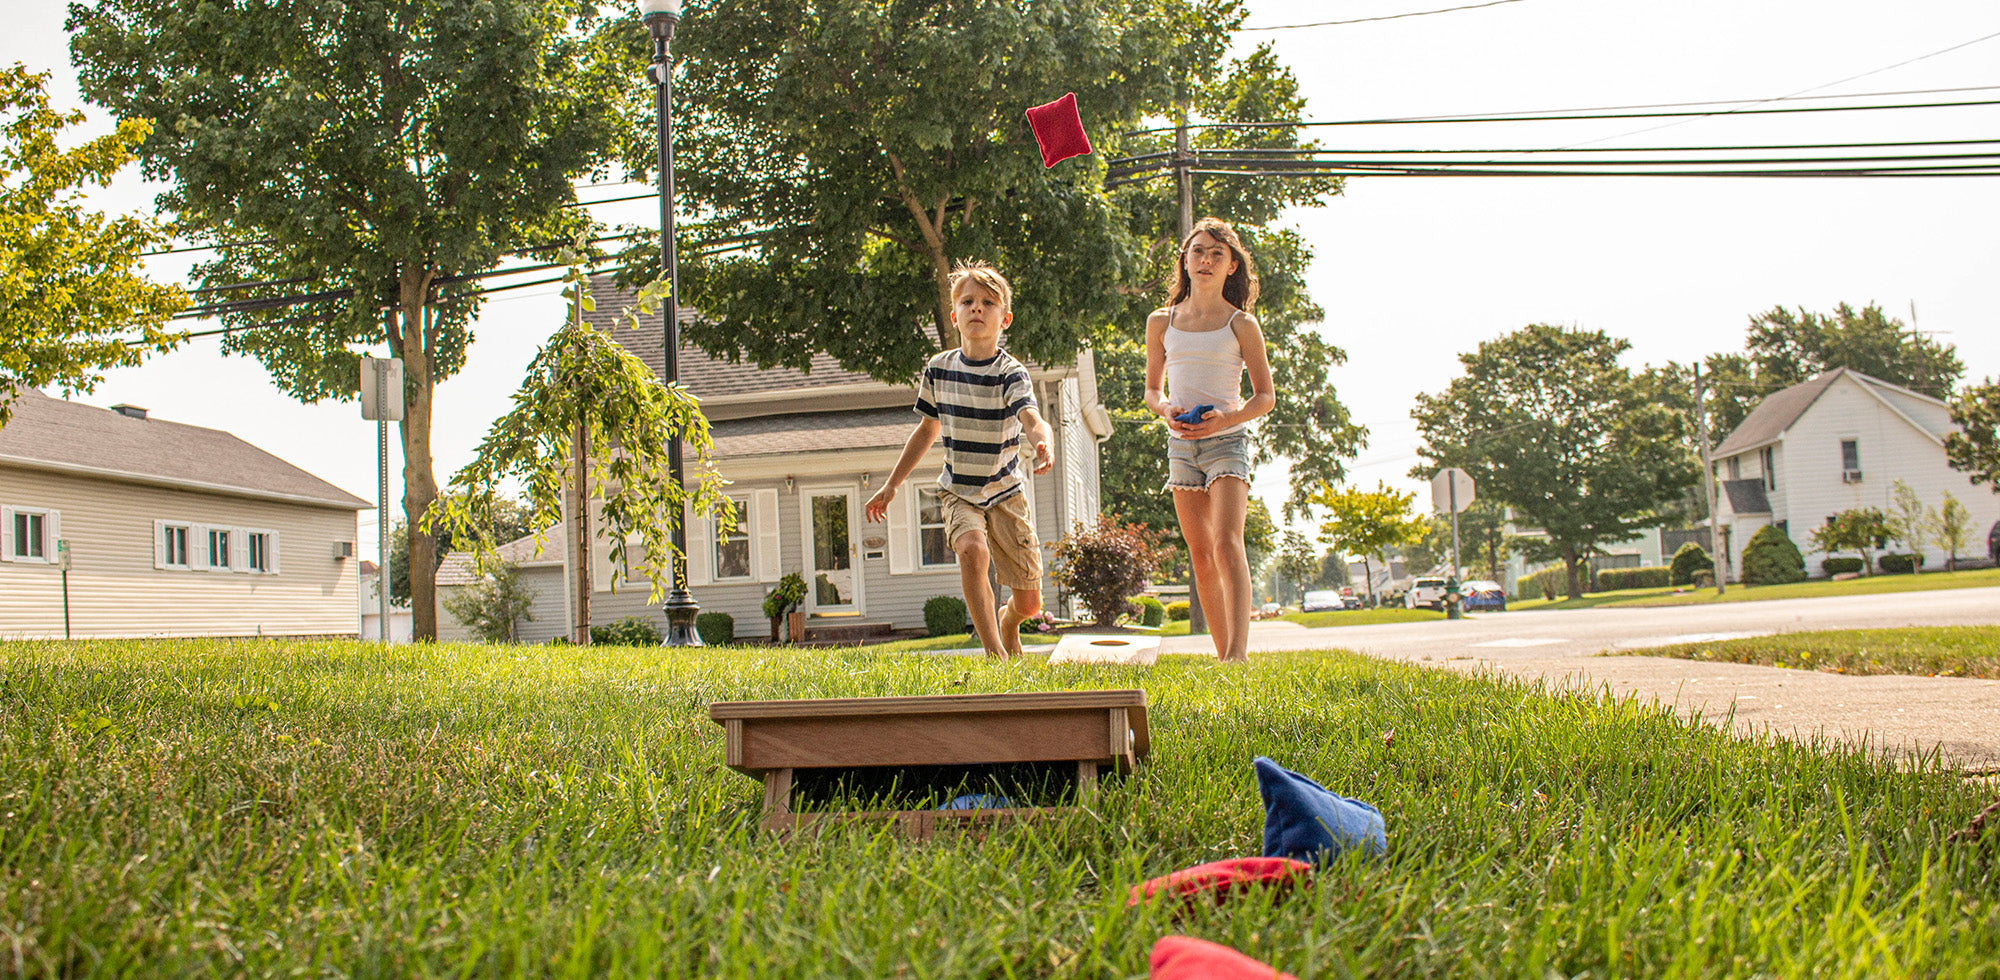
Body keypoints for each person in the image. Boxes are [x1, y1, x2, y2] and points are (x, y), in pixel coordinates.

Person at [866, 261, 1054, 657]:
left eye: (988, 302)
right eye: (967, 302)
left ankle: (1009, 621)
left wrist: (1042, 443)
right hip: (959, 490)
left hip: (1005, 490)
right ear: (954, 315)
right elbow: (926, 430)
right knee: (971, 548)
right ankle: (995, 655)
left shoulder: (1011, 373)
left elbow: (1032, 418)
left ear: (1005, 319)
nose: (977, 309)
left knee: (1030, 604)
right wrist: (892, 483)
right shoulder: (938, 369)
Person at [1143, 218, 1275, 663]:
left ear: (1232, 266)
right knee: (1200, 556)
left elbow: (1265, 397)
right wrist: (1165, 410)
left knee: (1225, 543)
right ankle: (1224, 658)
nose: (1206, 259)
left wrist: (1227, 419)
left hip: (1227, 442)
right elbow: (1152, 391)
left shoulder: (1242, 325)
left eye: (1217, 254)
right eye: (1198, 251)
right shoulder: (1162, 322)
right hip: (1181, 444)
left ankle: (1238, 654)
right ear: (1185, 259)